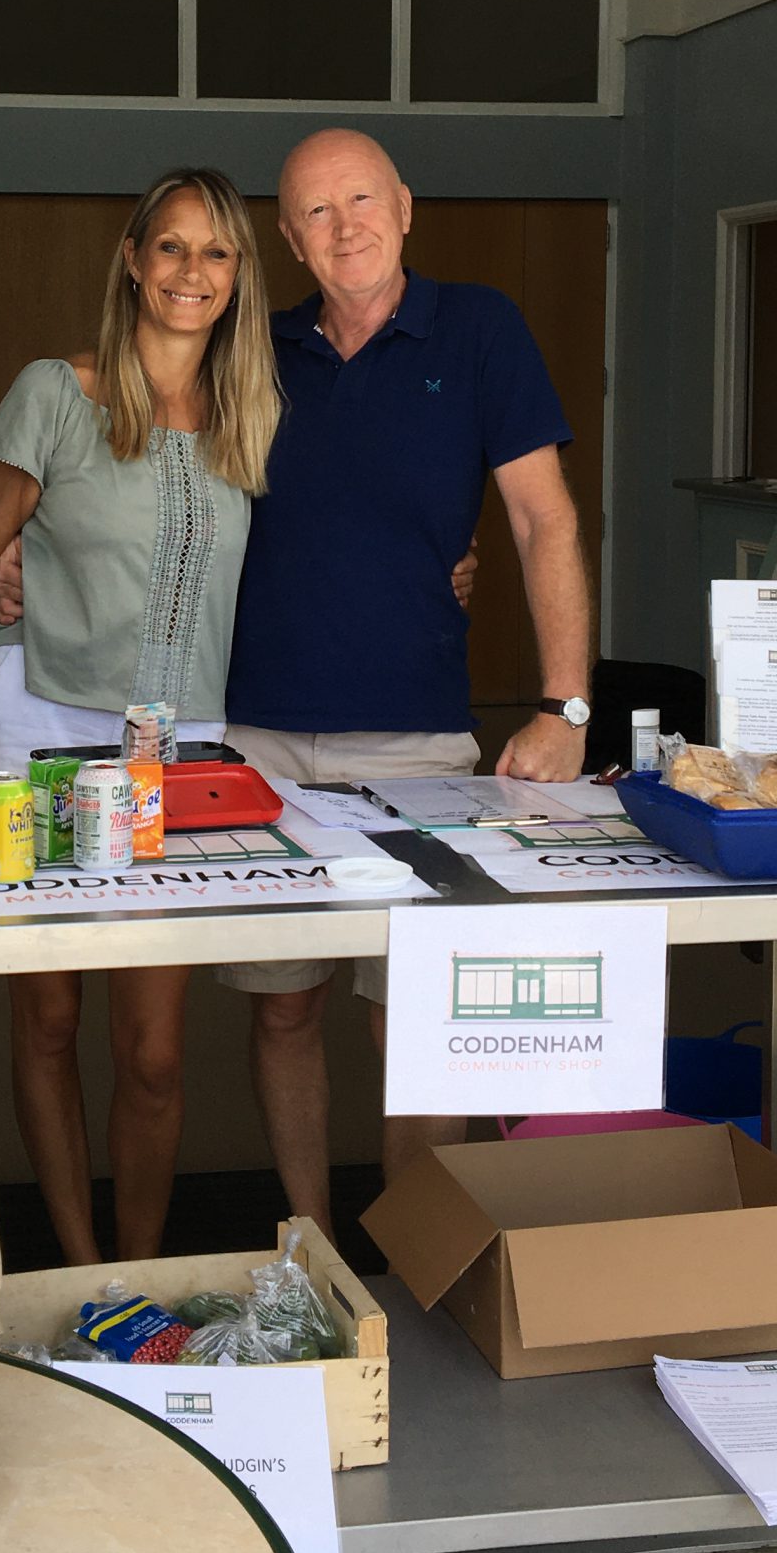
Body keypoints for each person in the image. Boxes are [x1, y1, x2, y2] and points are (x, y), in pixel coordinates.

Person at [215, 129, 591, 1223]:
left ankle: (419, 1261)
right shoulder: (256, 345)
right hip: (260, 739)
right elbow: (131, 427)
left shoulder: (479, 330)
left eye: (362, 200)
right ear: (288, 238)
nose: (346, 227)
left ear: (406, 206)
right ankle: (316, 1247)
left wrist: (566, 705)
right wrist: (17, 535)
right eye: (317, 214)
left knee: (417, 1020)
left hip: (421, 742)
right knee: (284, 1010)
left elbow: (543, 518)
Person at [0, 168, 280, 1266]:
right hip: (36, 723)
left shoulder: (253, 414)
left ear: (238, 277)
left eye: (218, 253)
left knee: (152, 1051)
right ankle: (78, 1265)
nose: (193, 272)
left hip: (169, 751)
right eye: (173, 248)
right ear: (135, 260)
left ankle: (137, 1274)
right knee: (49, 1017)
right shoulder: (57, 391)